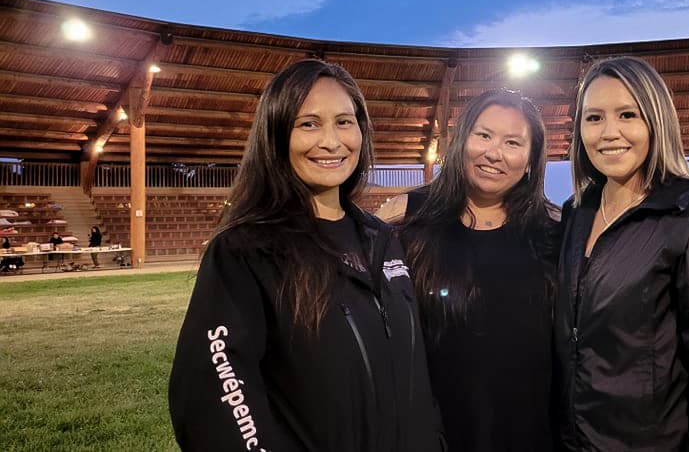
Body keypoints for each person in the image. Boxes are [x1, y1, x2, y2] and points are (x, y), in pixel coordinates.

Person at [168, 59, 442, 452]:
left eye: (344, 122)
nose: (331, 141)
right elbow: (213, 396)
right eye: (309, 124)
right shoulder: (247, 250)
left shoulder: (382, 239)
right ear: (277, 135)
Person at [554, 57, 689, 451]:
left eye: (627, 114)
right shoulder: (575, 213)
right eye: (593, 118)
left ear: (655, 121)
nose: (609, 133)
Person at [377, 89, 559, 452]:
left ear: (531, 160)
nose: (494, 153)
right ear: (461, 141)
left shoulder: (555, 233)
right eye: (484, 135)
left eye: (512, 142)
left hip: (533, 433)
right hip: (434, 432)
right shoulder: (410, 224)